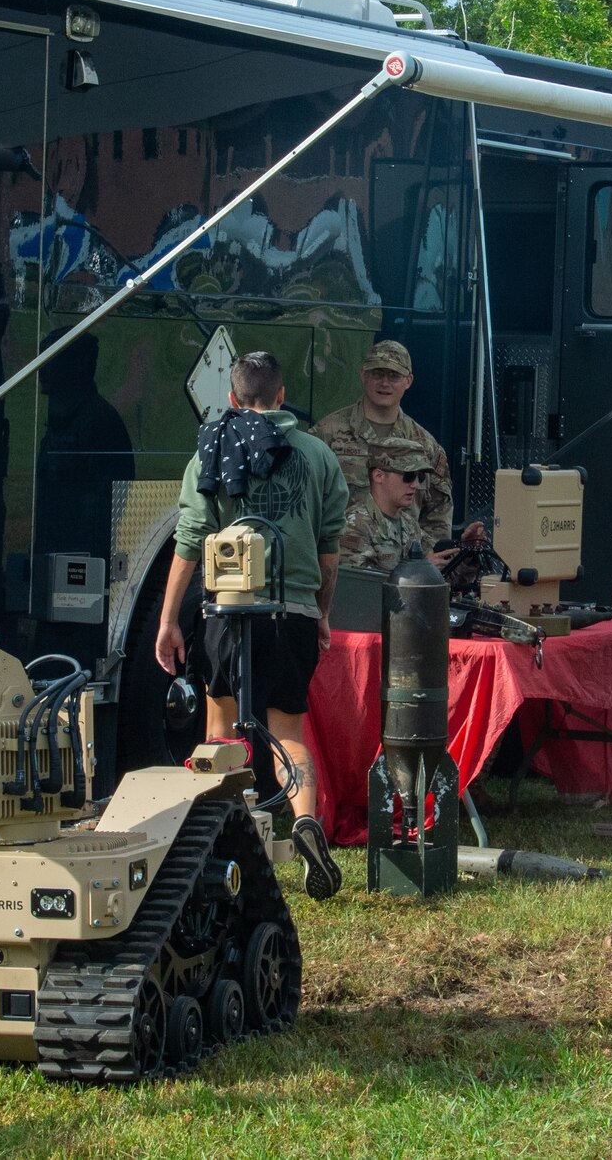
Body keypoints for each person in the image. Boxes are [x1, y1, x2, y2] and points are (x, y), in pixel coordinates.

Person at [154, 350, 350, 900]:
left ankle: (221, 837)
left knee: (219, 728)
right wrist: (322, 612)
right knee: (288, 730)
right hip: (293, 612)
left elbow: (190, 541)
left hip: (227, 612)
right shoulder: (317, 455)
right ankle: (306, 820)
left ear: (233, 399)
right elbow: (330, 550)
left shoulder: (209, 452)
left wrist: (169, 620)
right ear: (282, 396)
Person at [314, 340, 484, 552]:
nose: (385, 383)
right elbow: (307, 501)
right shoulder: (326, 434)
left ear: (408, 381)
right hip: (342, 567)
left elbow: (438, 516)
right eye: (377, 373)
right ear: (363, 374)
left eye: (394, 376)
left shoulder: (425, 446)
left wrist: (426, 564)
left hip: (404, 572)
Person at [335, 438, 440, 571]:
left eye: (420, 477)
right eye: (408, 476)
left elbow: (441, 564)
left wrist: (468, 550)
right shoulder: (355, 526)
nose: (416, 485)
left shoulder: (410, 525)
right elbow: (360, 586)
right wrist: (419, 571)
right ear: (379, 476)